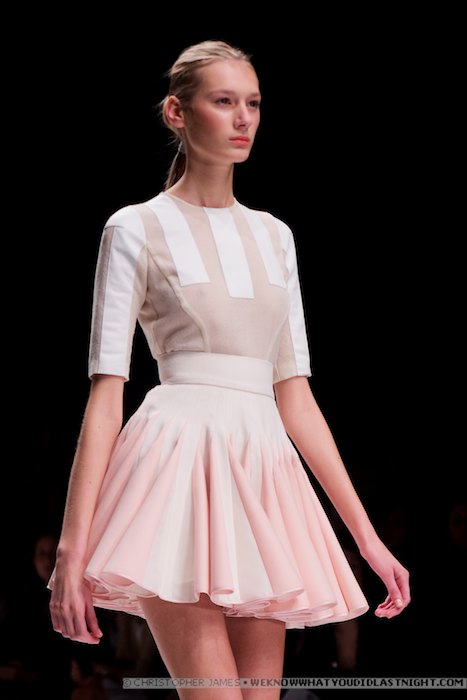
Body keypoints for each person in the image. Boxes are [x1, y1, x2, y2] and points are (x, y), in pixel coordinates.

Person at [48, 40, 410, 699]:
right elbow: (105, 394)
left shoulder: (275, 236)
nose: (243, 118)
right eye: (223, 101)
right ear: (177, 112)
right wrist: (72, 552)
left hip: (262, 477)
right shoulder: (134, 228)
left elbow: (295, 395)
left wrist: (367, 539)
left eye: (253, 103)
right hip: (176, 474)